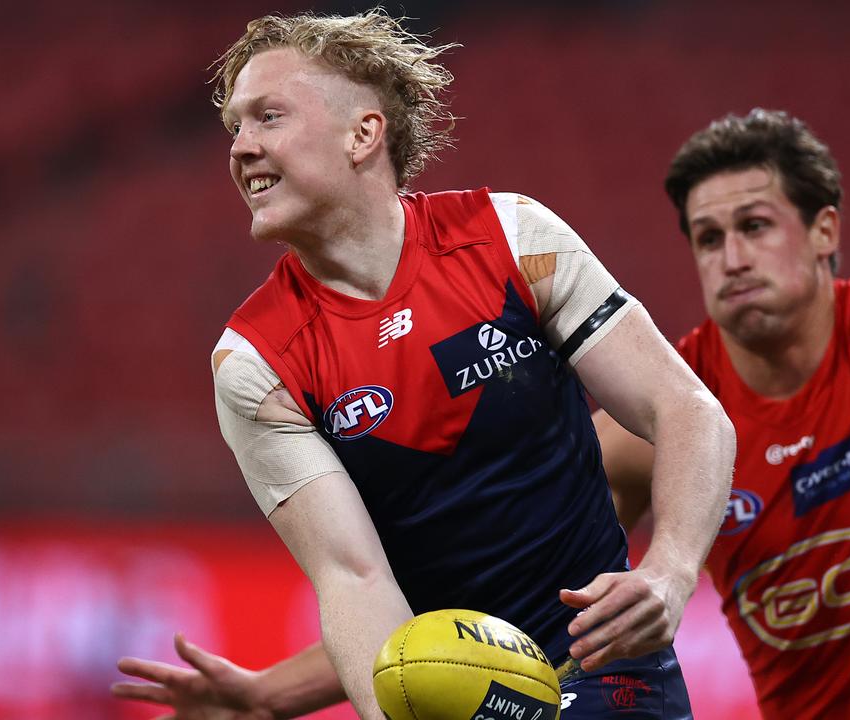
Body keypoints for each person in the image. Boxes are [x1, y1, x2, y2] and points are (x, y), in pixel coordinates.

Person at [112, 54, 850, 719]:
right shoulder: (664, 415)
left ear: (823, 234)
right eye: (704, 238)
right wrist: (283, 692)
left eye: (754, 228)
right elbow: (504, 596)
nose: (730, 257)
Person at [109, 9, 736, 720]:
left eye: (268, 118)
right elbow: (353, 576)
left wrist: (670, 576)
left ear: (363, 134)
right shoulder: (256, 360)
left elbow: (684, 409)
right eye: (234, 129)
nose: (241, 148)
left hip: (604, 668)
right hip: (457, 702)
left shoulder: (512, 237)